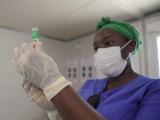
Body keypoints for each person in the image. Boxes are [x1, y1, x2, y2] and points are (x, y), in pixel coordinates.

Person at [13, 17, 160, 120]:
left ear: (130, 46)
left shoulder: (153, 88)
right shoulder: (91, 85)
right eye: (96, 48)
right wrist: (55, 109)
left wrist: (54, 83)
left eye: (108, 43)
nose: (100, 51)